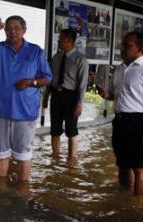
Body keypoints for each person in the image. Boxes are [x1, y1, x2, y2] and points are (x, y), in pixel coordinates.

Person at [0, 16, 52, 182]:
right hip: (0, 109)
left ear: (24, 30)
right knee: (1, 152)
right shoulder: (0, 48)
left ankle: (22, 190)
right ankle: (1, 189)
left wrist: (32, 82)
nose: (12, 31)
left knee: (23, 154)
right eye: (8, 28)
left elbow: (47, 77)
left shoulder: (36, 51)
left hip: (25, 111)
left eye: (16, 28)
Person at [97, 31, 143, 195]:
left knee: (140, 167)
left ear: (140, 49)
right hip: (120, 121)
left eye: (128, 45)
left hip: (138, 122)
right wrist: (107, 95)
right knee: (123, 163)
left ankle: (138, 205)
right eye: (123, 44)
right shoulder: (121, 69)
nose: (123, 48)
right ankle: (125, 199)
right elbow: (117, 95)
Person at [43, 29, 88, 160]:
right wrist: (46, 97)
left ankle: (71, 160)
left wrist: (79, 105)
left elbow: (82, 85)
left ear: (68, 40)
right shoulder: (56, 58)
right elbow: (50, 79)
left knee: (71, 130)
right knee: (54, 129)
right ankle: (55, 157)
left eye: (60, 39)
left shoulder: (81, 60)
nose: (58, 41)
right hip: (56, 95)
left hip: (71, 97)